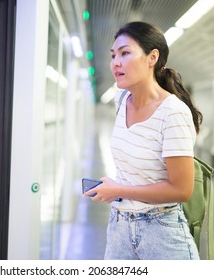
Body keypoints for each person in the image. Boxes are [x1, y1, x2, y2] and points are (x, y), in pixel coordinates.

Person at [84, 21, 203, 260]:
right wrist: (116, 187)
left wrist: (118, 190)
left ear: (152, 57)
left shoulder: (173, 113)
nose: (115, 62)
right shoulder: (121, 101)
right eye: (113, 55)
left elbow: (181, 190)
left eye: (125, 53)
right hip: (119, 228)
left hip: (162, 235)